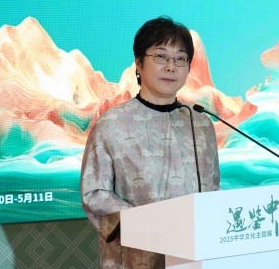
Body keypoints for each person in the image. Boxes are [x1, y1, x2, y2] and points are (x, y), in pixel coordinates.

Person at [80, 16, 221, 268]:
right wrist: (149, 224)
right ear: (138, 63)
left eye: (180, 58)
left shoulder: (201, 124)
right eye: (161, 56)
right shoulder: (111, 125)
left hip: (193, 257)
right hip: (137, 257)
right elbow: (95, 195)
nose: (171, 67)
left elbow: (212, 190)